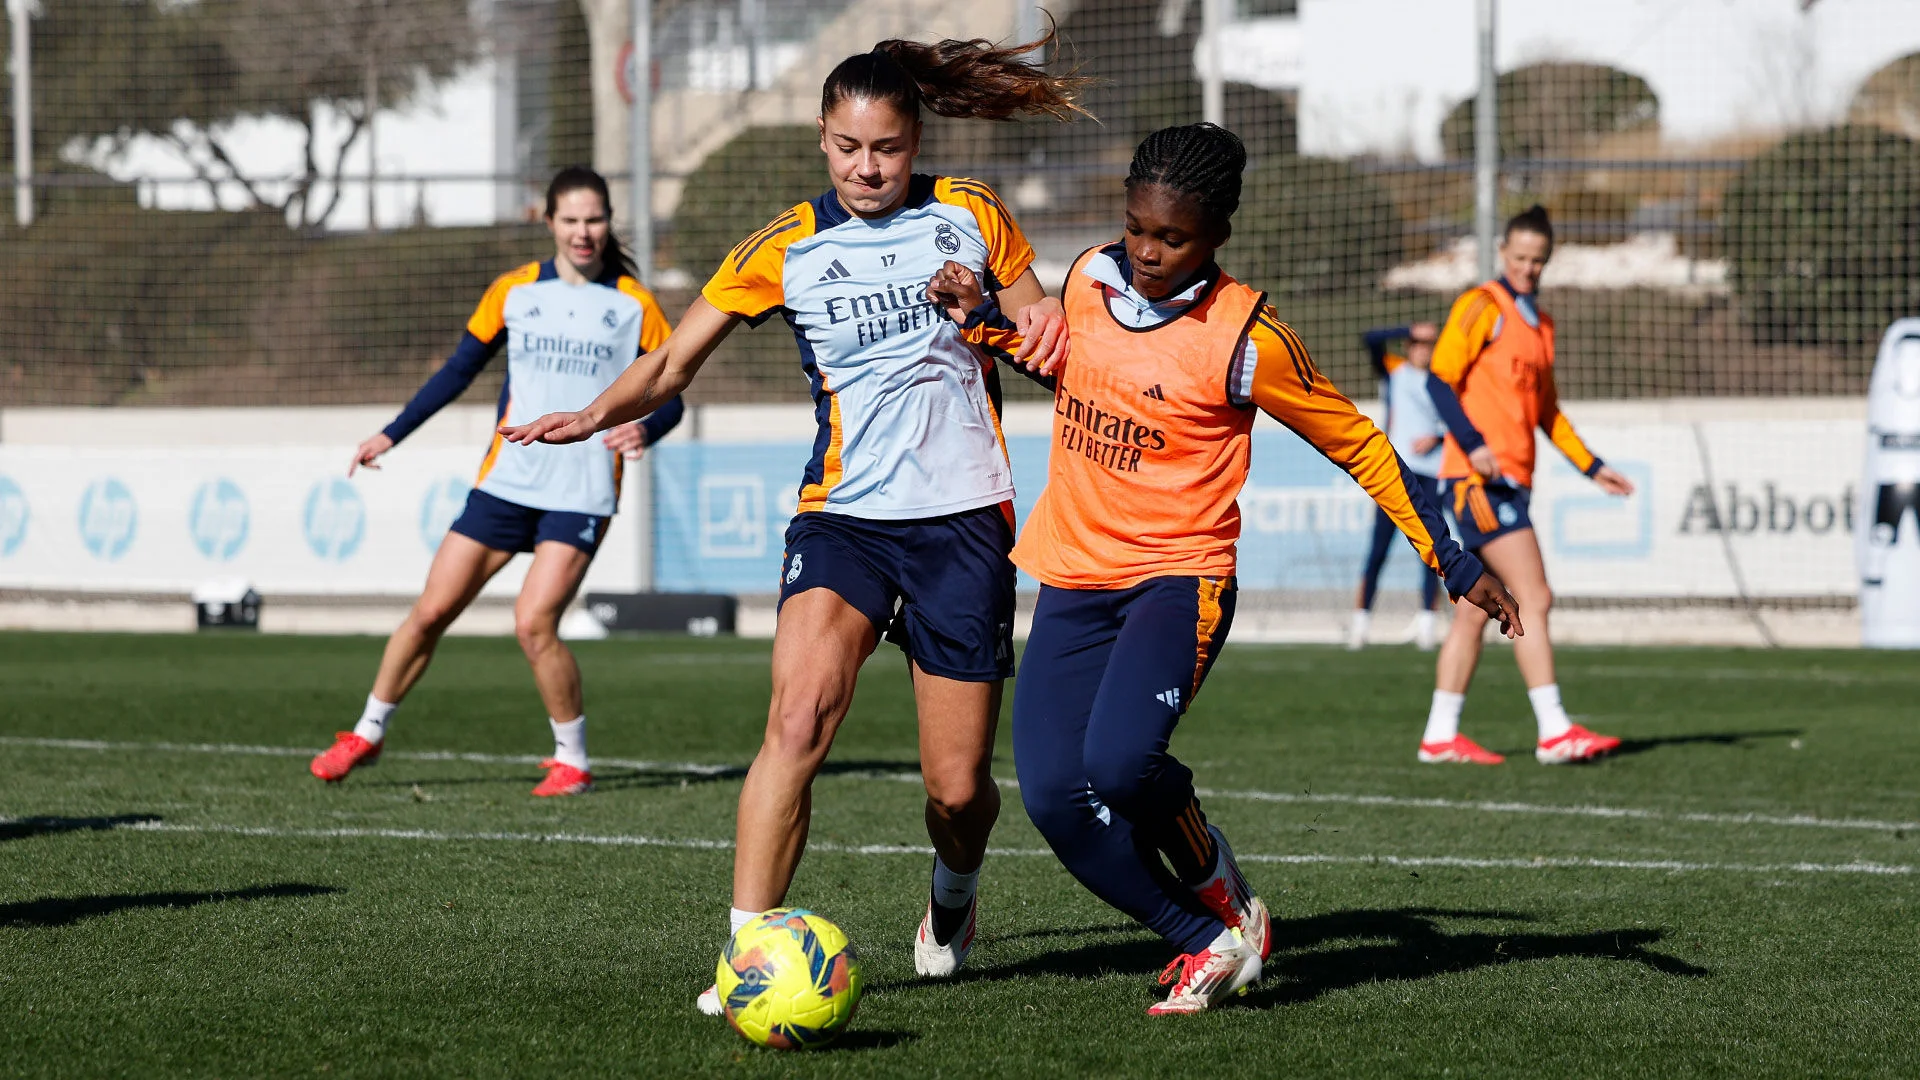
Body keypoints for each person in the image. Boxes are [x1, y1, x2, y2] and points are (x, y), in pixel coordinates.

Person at [498, 35, 1080, 1012]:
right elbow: (675, 361)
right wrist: (596, 412)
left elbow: (1050, 349)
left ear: (915, 139)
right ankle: (746, 961)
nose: (868, 166)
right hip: (841, 519)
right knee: (797, 719)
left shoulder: (971, 216)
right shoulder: (786, 245)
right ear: (822, 139)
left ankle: (954, 894)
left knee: (957, 792)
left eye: (887, 148)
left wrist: (988, 309)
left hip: (963, 525)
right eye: (850, 147)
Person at [930, 123, 1518, 1015]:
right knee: (1053, 798)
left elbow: (1358, 444)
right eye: (1137, 228)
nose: (1148, 251)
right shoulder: (1088, 276)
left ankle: (1204, 860)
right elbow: (1067, 368)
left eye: (1173, 238)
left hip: (1180, 577)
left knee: (1123, 768)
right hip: (1075, 576)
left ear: (1217, 238)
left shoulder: (1248, 337)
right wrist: (981, 320)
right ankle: (1207, 936)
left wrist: (1452, 555)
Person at [309, 166, 683, 797]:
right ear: (549, 223)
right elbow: (457, 372)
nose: (583, 232)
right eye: (570, 220)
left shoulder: (633, 304)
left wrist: (646, 430)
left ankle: (573, 760)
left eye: (594, 219)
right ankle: (366, 733)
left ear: (609, 221)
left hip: (582, 490)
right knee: (430, 612)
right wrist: (390, 434)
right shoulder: (513, 291)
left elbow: (670, 385)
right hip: (507, 483)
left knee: (533, 624)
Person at [1419, 204, 1636, 766]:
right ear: (1502, 254)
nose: (1528, 269)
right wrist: (1474, 446)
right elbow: (1441, 380)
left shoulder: (1540, 325)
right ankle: (1554, 730)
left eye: (1538, 261)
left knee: (1475, 607)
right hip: (1477, 483)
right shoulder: (1480, 306)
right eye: (1519, 258)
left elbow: (1549, 413)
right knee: (1535, 596)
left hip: (1511, 485)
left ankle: (1440, 736)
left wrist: (1592, 466)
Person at [1346, 322, 1491, 651]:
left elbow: (1456, 424)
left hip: (1429, 475)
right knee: (1378, 550)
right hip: (1394, 473)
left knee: (1431, 550)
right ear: (1409, 345)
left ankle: (1427, 621)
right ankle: (1361, 621)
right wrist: (1407, 328)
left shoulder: (1441, 383)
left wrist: (1437, 438)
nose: (1422, 349)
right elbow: (1369, 338)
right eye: (1417, 343)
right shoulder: (1395, 373)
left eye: (1428, 344)